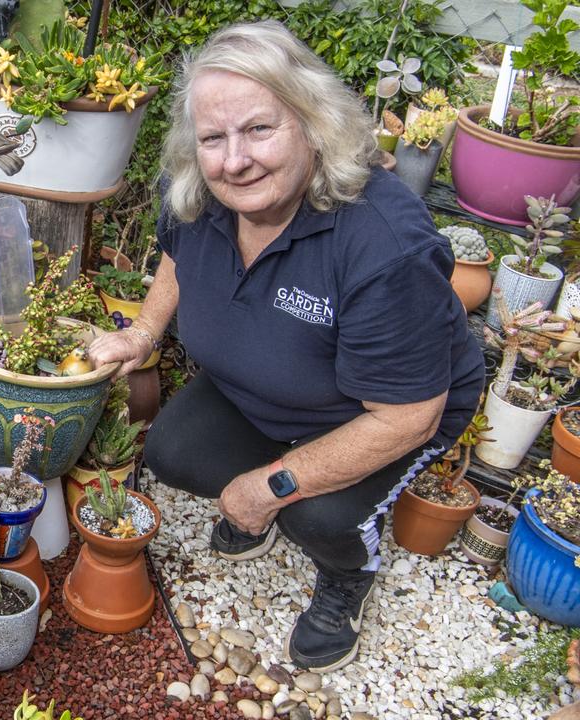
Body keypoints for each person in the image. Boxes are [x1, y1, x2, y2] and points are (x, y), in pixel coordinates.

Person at [87, 20, 483, 673]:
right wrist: (143, 332)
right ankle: (284, 480)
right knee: (171, 451)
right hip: (264, 384)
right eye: (213, 138)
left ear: (312, 121)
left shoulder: (383, 245)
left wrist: (269, 488)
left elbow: (408, 416)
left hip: (381, 414)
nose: (233, 159)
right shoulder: (199, 190)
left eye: (259, 129)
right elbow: (175, 255)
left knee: (317, 517)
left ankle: (347, 577)